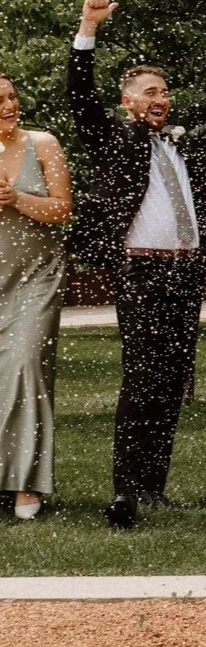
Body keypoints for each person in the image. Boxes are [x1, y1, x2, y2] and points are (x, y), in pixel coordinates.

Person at [68, 0, 206, 528]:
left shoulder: (180, 145)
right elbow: (80, 97)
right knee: (141, 377)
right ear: (128, 101)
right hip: (142, 271)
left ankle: (154, 485)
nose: (162, 99)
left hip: (185, 272)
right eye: (151, 92)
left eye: (165, 91)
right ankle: (124, 493)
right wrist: (88, 29)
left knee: (172, 376)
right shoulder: (112, 135)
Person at [0, 73, 72, 520]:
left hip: (36, 278)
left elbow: (62, 208)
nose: (9, 104)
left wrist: (16, 198)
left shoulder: (43, 143)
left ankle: (26, 482)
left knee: (26, 366)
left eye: (11, 96)